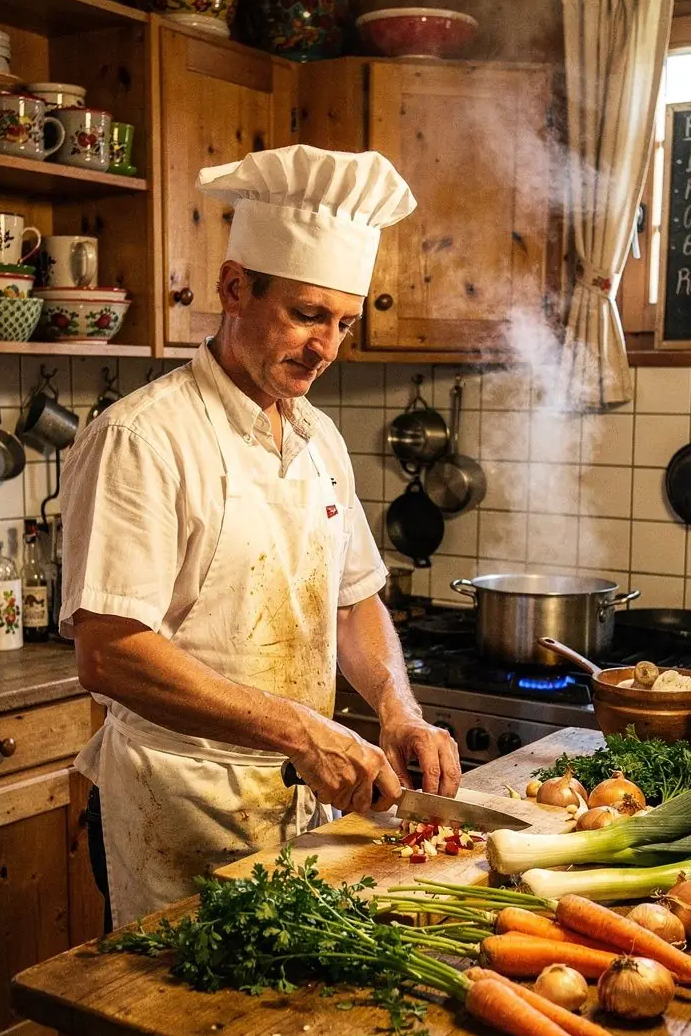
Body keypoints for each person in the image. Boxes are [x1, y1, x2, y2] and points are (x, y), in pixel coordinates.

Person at [61, 144, 461, 928]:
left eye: (343, 322)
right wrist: (302, 731)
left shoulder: (319, 439)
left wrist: (397, 706)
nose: (327, 349)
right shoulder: (144, 438)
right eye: (308, 314)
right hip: (182, 808)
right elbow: (109, 650)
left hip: (303, 806)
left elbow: (352, 604)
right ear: (235, 287)